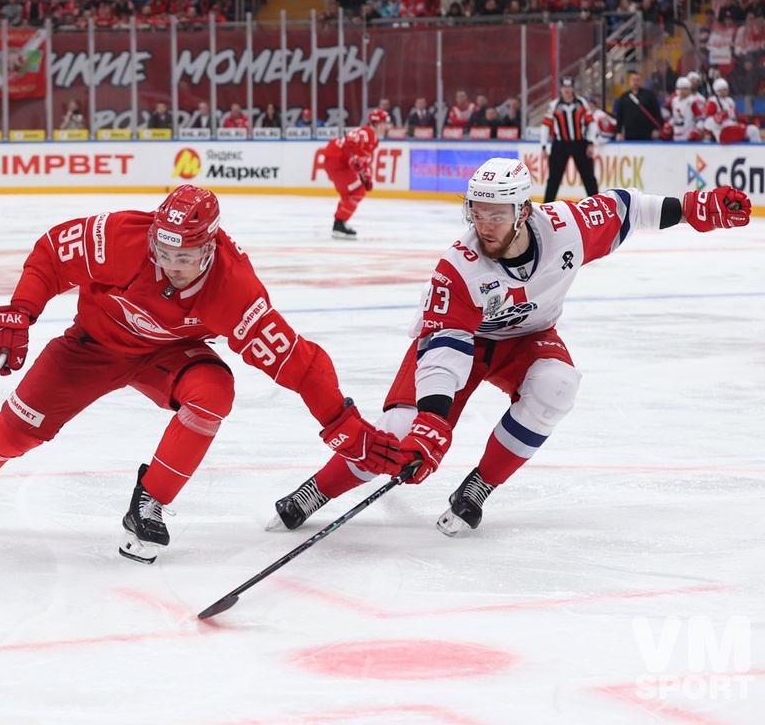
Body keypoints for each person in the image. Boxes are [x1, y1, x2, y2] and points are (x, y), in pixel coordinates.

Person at [0, 184, 390, 565]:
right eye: (164, 253)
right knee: (14, 431)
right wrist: (20, 312)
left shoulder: (234, 287)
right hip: (89, 347)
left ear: (210, 248)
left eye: (185, 257)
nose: (171, 265)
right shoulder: (123, 238)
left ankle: (149, 503)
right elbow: (49, 257)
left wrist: (340, 421)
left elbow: (298, 362)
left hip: (168, 356)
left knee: (214, 390)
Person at [268, 158, 752, 536]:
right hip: (461, 345)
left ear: (524, 211)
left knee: (558, 386)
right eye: (477, 211)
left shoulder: (566, 227)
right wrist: (432, 423)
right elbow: (442, 354)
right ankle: (316, 490)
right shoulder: (458, 267)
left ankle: (479, 487)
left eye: (497, 212)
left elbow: (628, 207)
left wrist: (694, 209)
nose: (484, 224)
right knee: (398, 433)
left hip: (528, 338)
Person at [540, 77, 598, 203]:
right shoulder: (554, 105)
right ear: (560, 89)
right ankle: (546, 207)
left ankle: (597, 205)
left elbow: (591, 123)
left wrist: (591, 142)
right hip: (560, 145)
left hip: (580, 144)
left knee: (589, 177)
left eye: (569, 87)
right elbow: (545, 126)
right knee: (554, 178)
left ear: (572, 88)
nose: (567, 90)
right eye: (564, 87)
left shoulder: (581, 103)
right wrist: (543, 146)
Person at [321, 124, 379, 239]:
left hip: (339, 162)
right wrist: (352, 158)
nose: (386, 126)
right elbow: (349, 143)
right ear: (376, 123)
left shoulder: (374, 138)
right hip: (337, 162)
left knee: (349, 194)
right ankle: (339, 223)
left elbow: (364, 158)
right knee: (357, 192)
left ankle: (339, 223)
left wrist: (366, 176)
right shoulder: (366, 133)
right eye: (383, 123)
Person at [702, 77, 762, 143]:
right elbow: (707, 124)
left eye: (725, 90)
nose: (723, 92)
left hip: (733, 128)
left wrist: (748, 121)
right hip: (723, 132)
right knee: (753, 131)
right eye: (720, 90)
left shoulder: (730, 101)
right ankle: (758, 152)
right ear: (716, 91)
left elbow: (736, 117)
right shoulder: (712, 102)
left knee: (752, 130)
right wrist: (718, 118)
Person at [614, 70, 662, 141]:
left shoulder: (649, 95)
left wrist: (656, 129)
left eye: (638, 80)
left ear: (642, 81)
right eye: (633, 80)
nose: (635, 82)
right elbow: (619, 116)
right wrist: (619, 132)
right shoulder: (624, 97)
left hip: (647, 135)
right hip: (629, 135)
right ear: (629, 81)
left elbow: (657, 113)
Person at [663, 77, 706, 142]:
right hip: (676, 134)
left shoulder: (693, 101)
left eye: (685, 89)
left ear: (689, 89)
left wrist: (697, 129)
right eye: (680, 89)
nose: (682, 91)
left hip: (689, 135)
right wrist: (669, 123)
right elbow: (676, 116)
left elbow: (701, 119)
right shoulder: (674, 100)